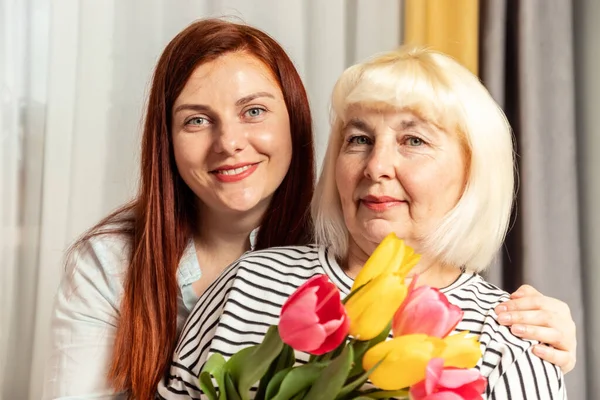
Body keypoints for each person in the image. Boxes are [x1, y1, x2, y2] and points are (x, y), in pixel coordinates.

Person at [159, 46, 568, 399]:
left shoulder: (512, 340)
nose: (376, 167)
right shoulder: (248, 280)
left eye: (413, 141)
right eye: (359, 140)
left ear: (472, 171)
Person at [42, 19, 314, 400]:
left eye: (253, 111)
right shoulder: (108, 263)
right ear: (166, 140)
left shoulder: (342, 246)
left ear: (296, 120)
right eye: (197, 120)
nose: (229, 143)